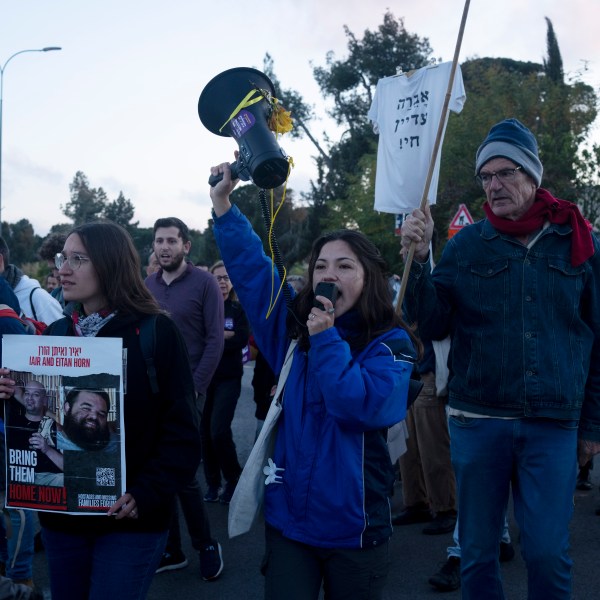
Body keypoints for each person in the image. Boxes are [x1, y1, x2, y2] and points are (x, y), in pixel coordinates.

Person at [400, 118, 600, 599]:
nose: (494, 185)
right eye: (486, 177)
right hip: (477, 420)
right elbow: (431, 324)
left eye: (505, 173)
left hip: (553, 423)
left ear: (533, 175)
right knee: (476, 552)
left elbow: (597, 338)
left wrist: (592, 425)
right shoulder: (466, 245)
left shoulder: (581, 242)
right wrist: (421, 259)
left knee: (548, 553)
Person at [209, 158, 419, 600]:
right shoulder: (291, 326)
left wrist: (325, 341)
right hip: (290, 525)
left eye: (345, 267)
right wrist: (224, 203)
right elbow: (252, 270)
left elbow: (357, 406)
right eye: (321, 265)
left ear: (368, 279)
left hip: (355, 530)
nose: (328, 275)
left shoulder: (391, 343)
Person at [0, 220, 202, 599]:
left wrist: (146, 493)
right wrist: (10, 393)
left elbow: (183, 434)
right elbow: (39, 417)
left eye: (78, 259)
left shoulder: (156, 332)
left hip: (130, 519)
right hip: (63, 520)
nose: (62, 270)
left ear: (110, 264)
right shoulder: (57, 332)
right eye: (64, 258)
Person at [145, 217, 224, 580]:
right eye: (159, 241)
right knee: (158, 469)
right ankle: (172, 548)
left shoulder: (206, 283)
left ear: (185, 246)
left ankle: (206, 544)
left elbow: (215, 341)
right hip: (153, 393)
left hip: (189, 392)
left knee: (186, 475)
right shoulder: (147, 285)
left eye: (171, 241)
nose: (164, 247)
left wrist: (195, 387)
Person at [201, 261, 249, 504]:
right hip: (205, 378)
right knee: (204, 433)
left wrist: (215, 337)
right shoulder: (203, 308)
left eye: (225, 278)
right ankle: (212, 483)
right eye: (217, 277)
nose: (221, 281)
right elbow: (198, 340)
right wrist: (222, 336)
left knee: (218, 430)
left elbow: (240, 339)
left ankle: (233, 479)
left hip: (229, 378)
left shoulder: (238, 310)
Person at [5, 379, 63, 485]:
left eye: (36, 395)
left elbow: (68, 467)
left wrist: (47, 449)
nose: (30, 398)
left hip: (47, 478)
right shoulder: (12, 420)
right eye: (27, 393)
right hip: (20, 477)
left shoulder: (54, 426)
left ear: (45, 400)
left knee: (64, 479)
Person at [0, 236, 63, 324]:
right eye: (53, 269)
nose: (56, 274)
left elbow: (62, 337)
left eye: (56, 268)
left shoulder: (40, 299)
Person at [56, 387, 117, 453]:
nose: (94, 416)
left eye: (101, 414)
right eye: (86, 408)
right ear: (67, 408)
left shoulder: (116, 445)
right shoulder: (53, 442)